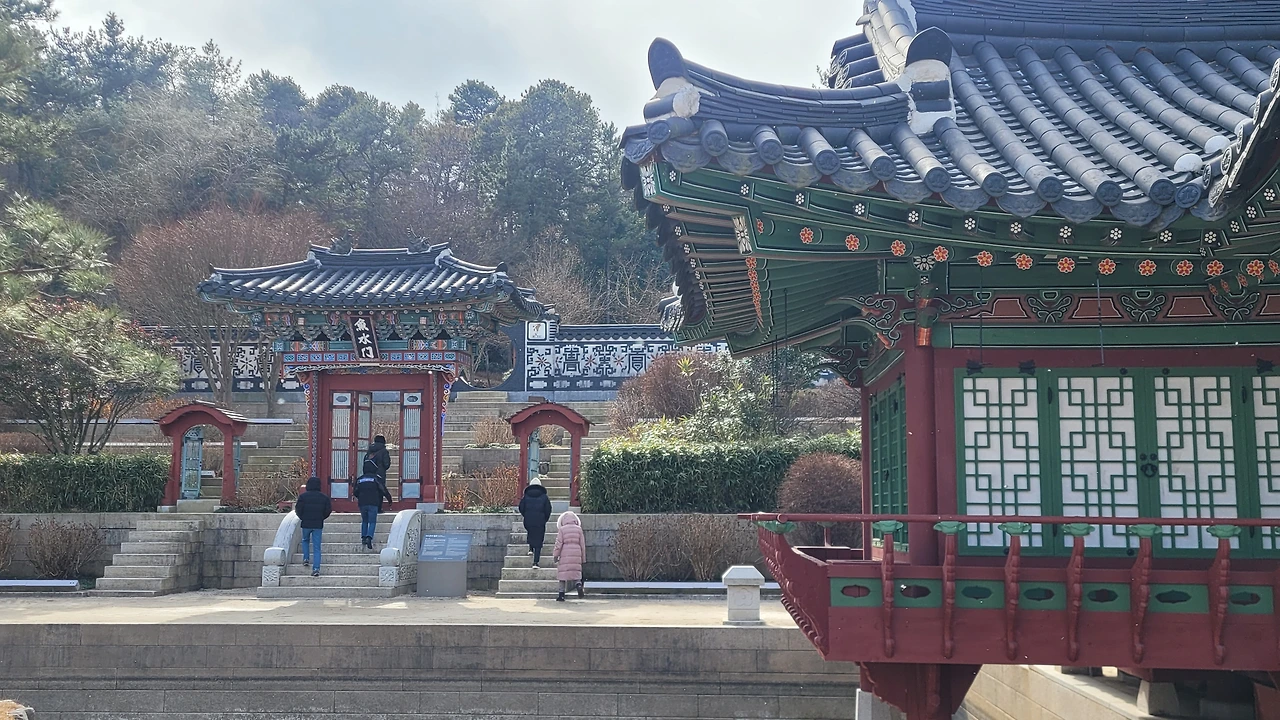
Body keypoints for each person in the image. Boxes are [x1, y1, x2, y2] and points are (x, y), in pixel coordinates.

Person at [294, 476, 332, 577]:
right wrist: (321, 517)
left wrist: (302, 517)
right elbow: (328, 510)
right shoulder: (324, 497)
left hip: (306, 523)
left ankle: (306, 558)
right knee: (317, 547)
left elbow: (298, 509)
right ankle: (316, 569)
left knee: (305, 540)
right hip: (318, 524)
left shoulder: (303, 497)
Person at [355, 457, 393, 550]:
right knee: (372, 521)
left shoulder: (360, 479)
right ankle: (369, 537)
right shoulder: (376, 478)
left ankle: (363, 537)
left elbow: (355, 491)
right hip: (373, 503)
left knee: (364, 520)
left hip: (362, 503)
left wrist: (360, 497)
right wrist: (389, 499)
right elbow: (383, 489)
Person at [517, 478, 552, 568]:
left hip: (528, 520)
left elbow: (521, 507)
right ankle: (535, 562)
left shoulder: (526, 496)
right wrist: (545, 519)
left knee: (531, 532)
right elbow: (548, 509)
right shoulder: (544, 497)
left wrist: (526, 515)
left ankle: (530, 549)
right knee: (539, 540)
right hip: (540, 520)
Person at [553, 510, 585, 601]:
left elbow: (558, 544)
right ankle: (578, 585)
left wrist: (555, 555)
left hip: (565, 552)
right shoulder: (579, 529)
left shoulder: (562, 530)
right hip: (577, 552)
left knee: (562, 575)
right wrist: (583, 558)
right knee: (576, 573)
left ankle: (561, 595)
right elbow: (582, 544)